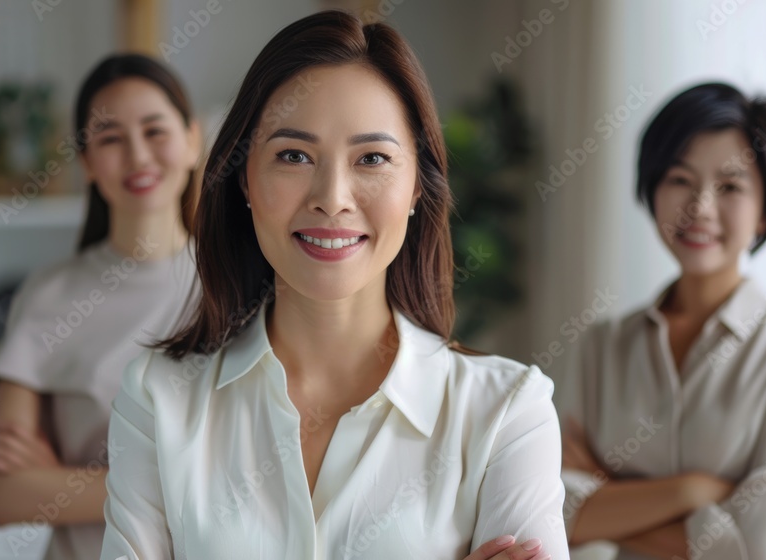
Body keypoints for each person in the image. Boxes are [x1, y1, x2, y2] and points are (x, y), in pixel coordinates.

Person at [100, 11, 569, 560]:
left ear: (419, 185)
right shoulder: (159, 399)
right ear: (244, 178)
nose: (333, 197)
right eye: (293, 155)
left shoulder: (508, 413)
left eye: (372, 158)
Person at [555, 82, 766, 559]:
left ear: (764, 212)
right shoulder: (601, 345)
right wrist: (694, 491)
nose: (699, 207)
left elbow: (764, 549)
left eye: (731, 186)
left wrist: (608, 506)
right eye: (679, 179)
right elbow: (548, 510)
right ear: (652, 189)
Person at [0, 53, 202, 560]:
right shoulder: (48, 295)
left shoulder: (244, 286)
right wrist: (177, 486)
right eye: (110, 139)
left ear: (193, 140)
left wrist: (62, 483)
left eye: (155, 130)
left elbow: (258, 475)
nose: (139, 156)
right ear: (86, 163)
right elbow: (4, 494)